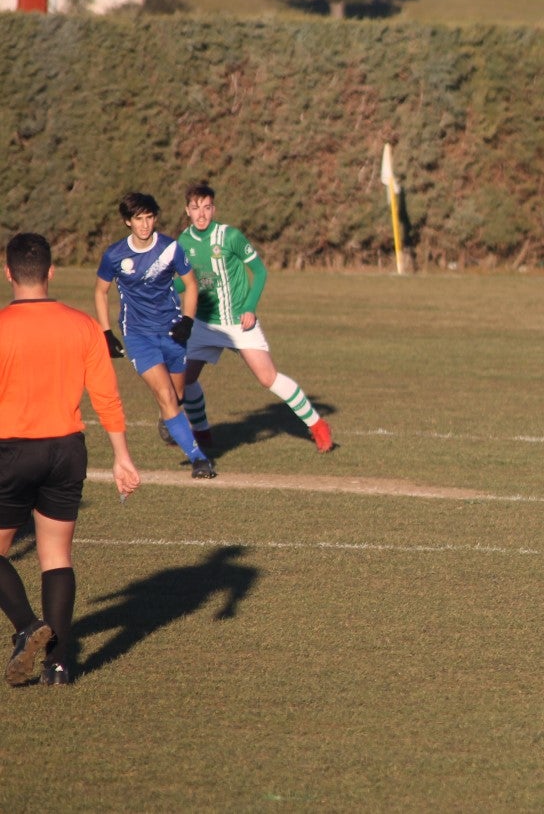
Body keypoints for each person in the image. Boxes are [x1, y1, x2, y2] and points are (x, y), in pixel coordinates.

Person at [0, 233, 142, 687]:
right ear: (51, 272)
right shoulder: (83, 325)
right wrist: (122, 457)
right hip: (66, 450)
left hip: (11, 451)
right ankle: (59, 665)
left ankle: (27, 626)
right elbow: (107, 396)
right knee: (56, 555)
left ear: (8, 273)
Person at [175, 183, 333, 453]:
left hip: (238, 322)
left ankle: (318, 426)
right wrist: (162, 287)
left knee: (267, 378)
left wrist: (249, 307)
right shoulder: (183, 242)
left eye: (207, 208)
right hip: (203, 323)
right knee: (184, 380)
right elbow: (185, 283)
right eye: (195, 208)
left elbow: (259, 272)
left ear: (214, 209)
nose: (201, 214)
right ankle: (202, 433)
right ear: (187, 210)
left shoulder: (230, 236)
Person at [94, 192, 215, 478]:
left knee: (177, 395)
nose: (145, 224)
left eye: (149, 218)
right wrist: (106, 332)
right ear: (128, 221)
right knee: (165, 394)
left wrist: (187, 321)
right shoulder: (114, 255)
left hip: (172, 331)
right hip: (138, 335)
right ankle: (198, 459)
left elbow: (191, 285)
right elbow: (101, 291)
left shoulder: (170, 248)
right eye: (139, 219)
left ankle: (167, 416)